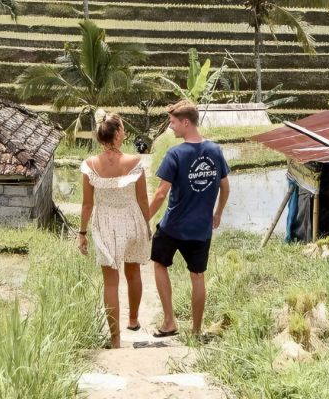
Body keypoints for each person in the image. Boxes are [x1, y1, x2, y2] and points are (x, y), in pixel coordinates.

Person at [148, 100, 230, 340]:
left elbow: (161, 193)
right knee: (197, 276)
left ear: (186, 123)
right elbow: (225, 187)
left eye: (173, 123)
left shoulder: (175, 153)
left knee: (159, 264)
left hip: (173, 225)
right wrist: (218, 213)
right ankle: (195, 332)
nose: (171, 127)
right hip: (201, 228)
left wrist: (144, 218)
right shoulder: (215, 151)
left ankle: (169, 321)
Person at [77, 111, 152, 349]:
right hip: (131, 220)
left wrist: (82, 233)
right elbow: (143, 200)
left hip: (105, 223)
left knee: (110, 283)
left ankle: (115, 339)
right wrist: (147, 227)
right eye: (123, 129)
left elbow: (87, 204)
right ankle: (133, 319)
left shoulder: (90, 165)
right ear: (118, 134)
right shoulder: (134, 163)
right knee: (133, 273)